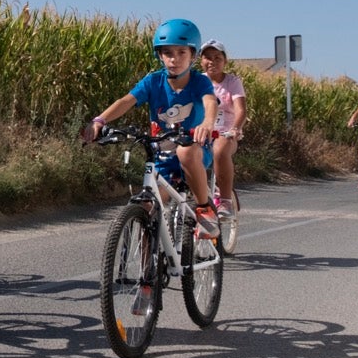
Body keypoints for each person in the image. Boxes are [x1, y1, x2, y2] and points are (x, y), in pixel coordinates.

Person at [84, 18, 220, 237]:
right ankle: (149, 268)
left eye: (181, 53)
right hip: (164, 156)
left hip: (195, 152)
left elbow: (210, 102)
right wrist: (100, 120)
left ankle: (204, 207)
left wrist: (206, 124)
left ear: (193, 55)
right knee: (147, 209)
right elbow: (126, 101)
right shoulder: (153, 81)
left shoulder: (199, 82)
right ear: (159, 55)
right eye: (167, 53)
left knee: (186, 150)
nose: (174, 59)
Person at [199, 39, 246, 216]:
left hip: (225, 132)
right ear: (201, 61)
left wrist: (235, 128)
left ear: (225, 61)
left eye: (217, 57)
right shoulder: (196, 81)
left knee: (219, 150)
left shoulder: (232, 82)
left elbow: (240, 110)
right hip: (202, 131)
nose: (212, 62)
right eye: (208, 57)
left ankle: (225, 200)